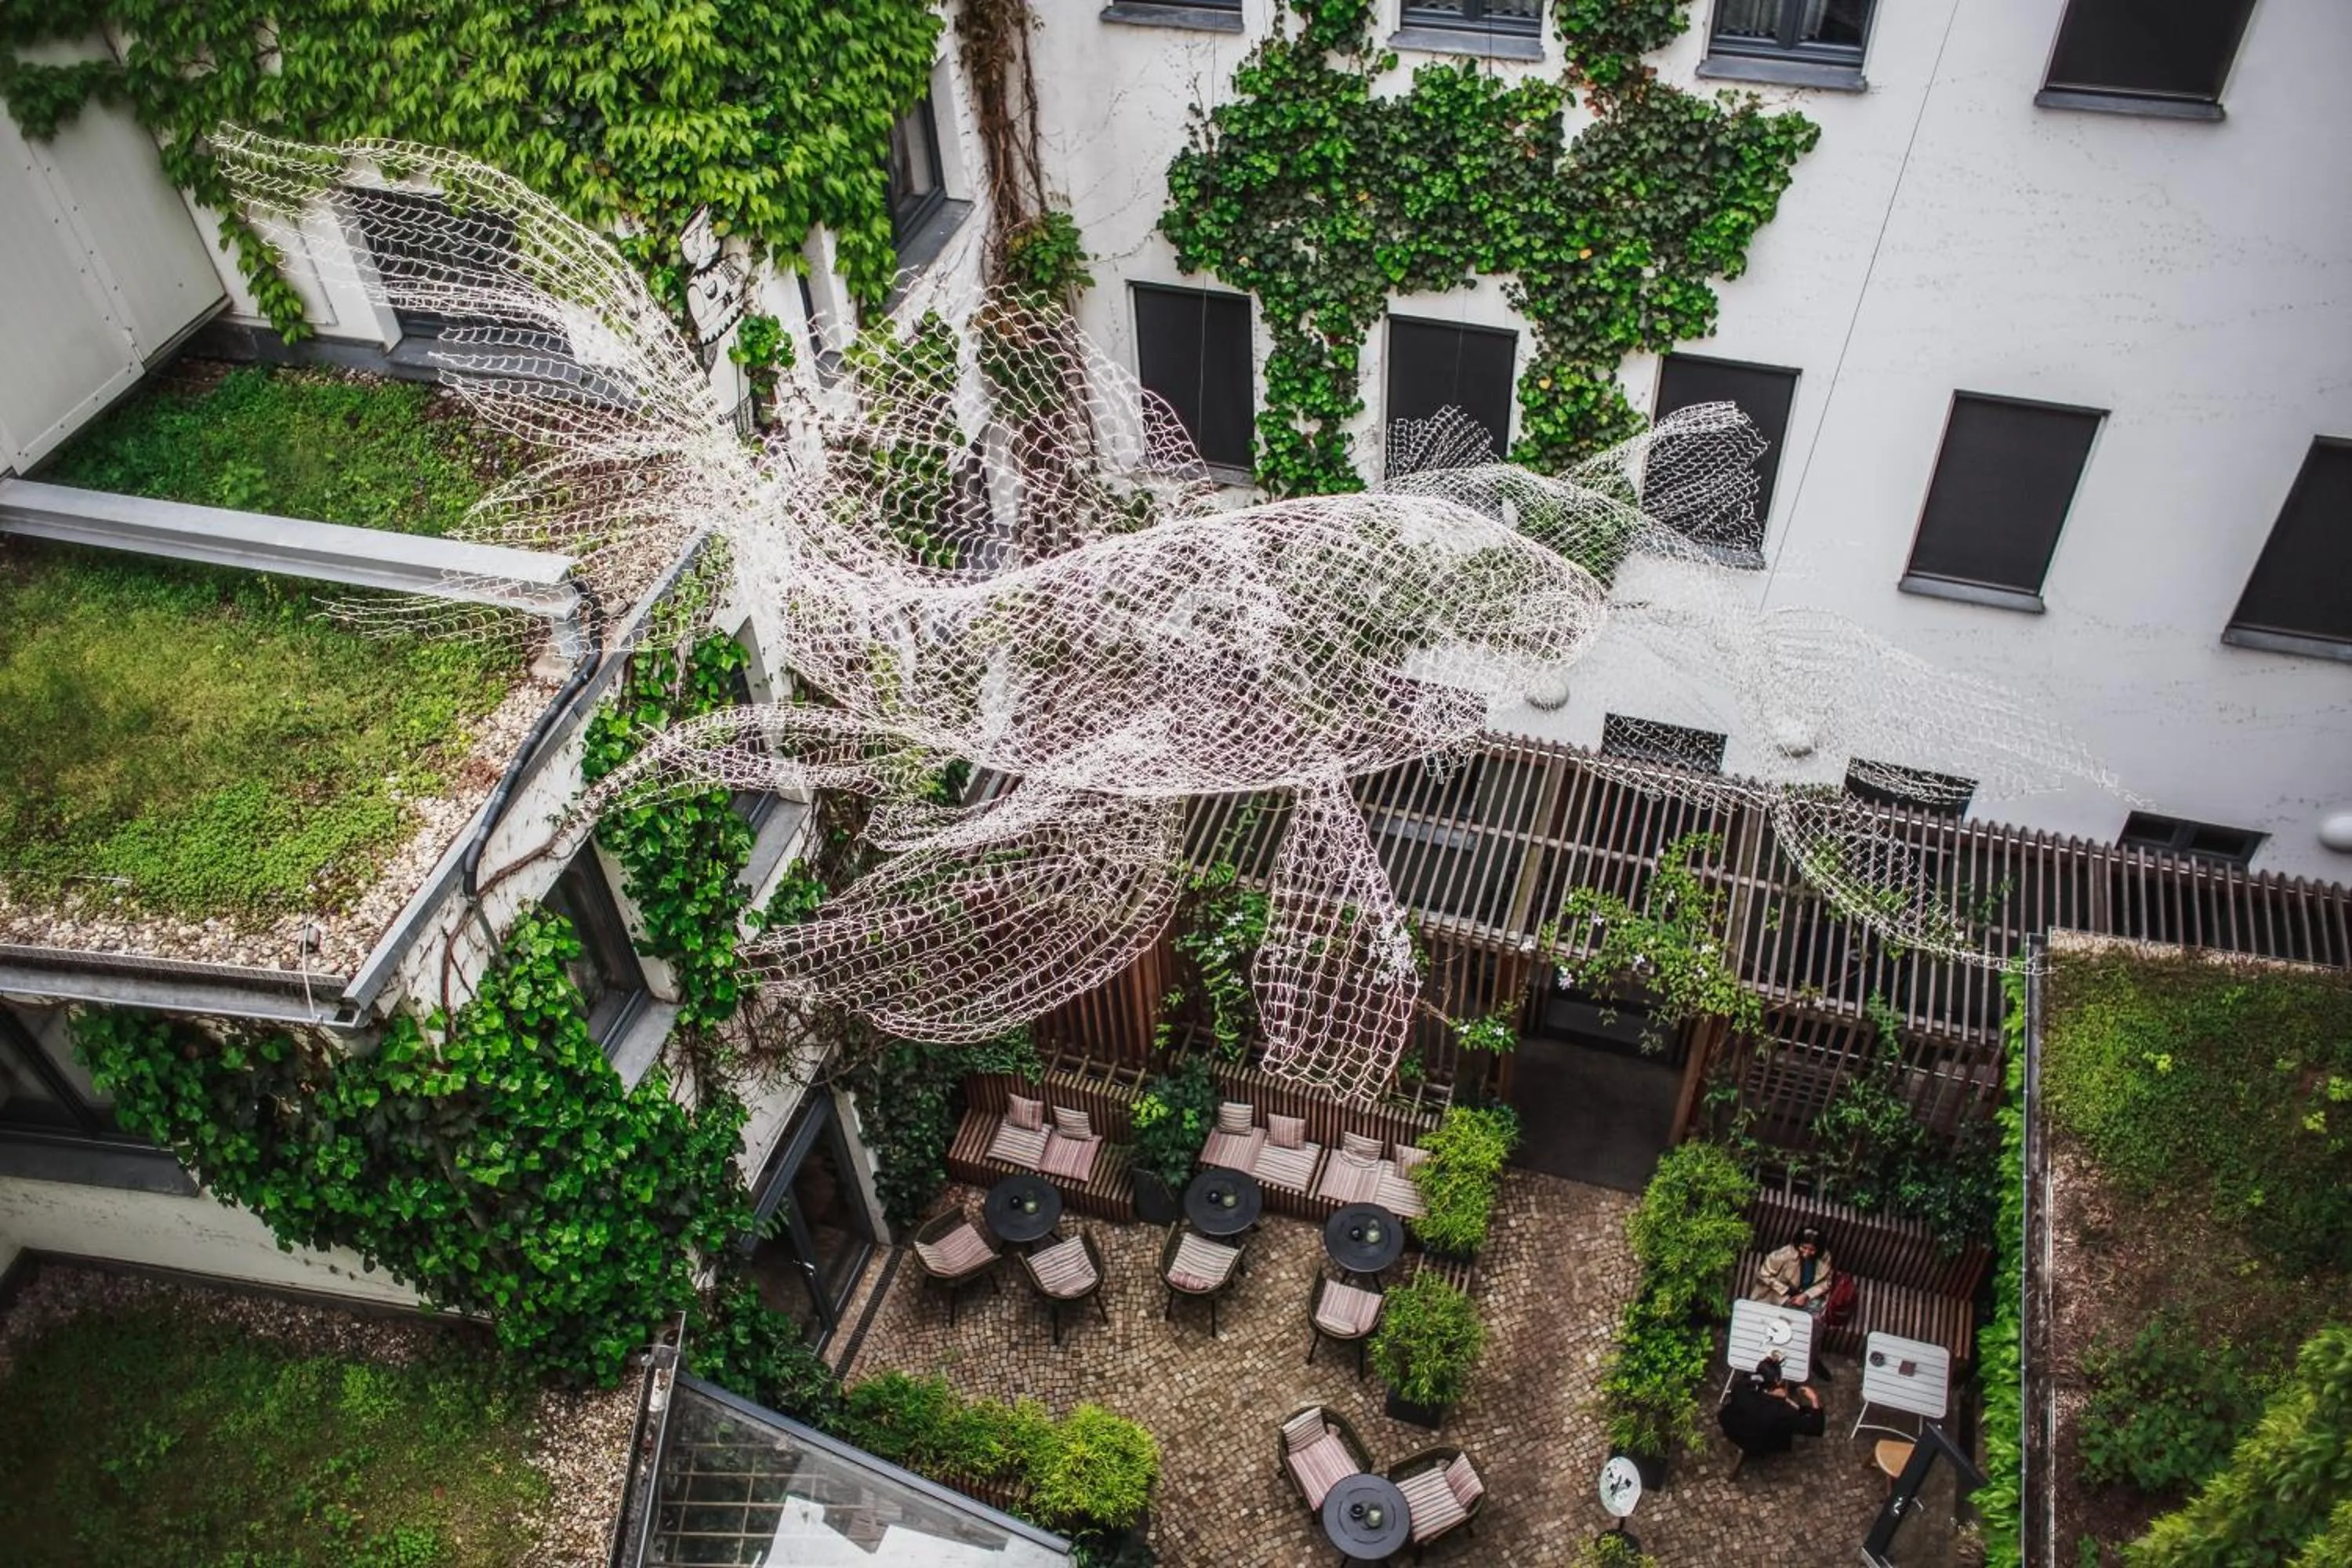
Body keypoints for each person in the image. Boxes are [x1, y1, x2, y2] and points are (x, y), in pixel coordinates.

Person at [1717, 1357, 1825, 1460]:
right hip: (1758, 1444)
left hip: (1732, 1429)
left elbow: (1750, 1388)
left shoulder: (1741, 1387)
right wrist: (1814, 1399)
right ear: (1777, 1381)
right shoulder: (1783, 1412)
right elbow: (1816, 1428)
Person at [1751, 1224, 1835, 1314]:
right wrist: (1786, 1290)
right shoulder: (1783, 1255)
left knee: (1815, 1316)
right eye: (1804, 1248)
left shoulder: (1825, 1257)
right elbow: (1763, 1275)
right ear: (1798, 1244)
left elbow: (1827, 1282)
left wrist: (1806, 1295)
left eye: (1812, 1250)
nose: (1806, 1253)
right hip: (1777, 1295)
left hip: (1807, 1296)